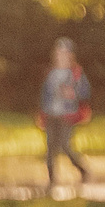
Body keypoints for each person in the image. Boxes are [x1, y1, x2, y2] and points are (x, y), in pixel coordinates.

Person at [39, 38, 94, 191]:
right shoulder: (51, 73)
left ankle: (82, 169)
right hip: (51, 115)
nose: (61, 56)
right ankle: (51, 181)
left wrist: (74, 93)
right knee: (50, 147)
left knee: (65, 145)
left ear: (70, 56)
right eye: (59, 53)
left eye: (64, 53)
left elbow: (86, 92)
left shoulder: (76, 74)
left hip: (67, 116)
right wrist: (42, 113)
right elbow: (45, 95)